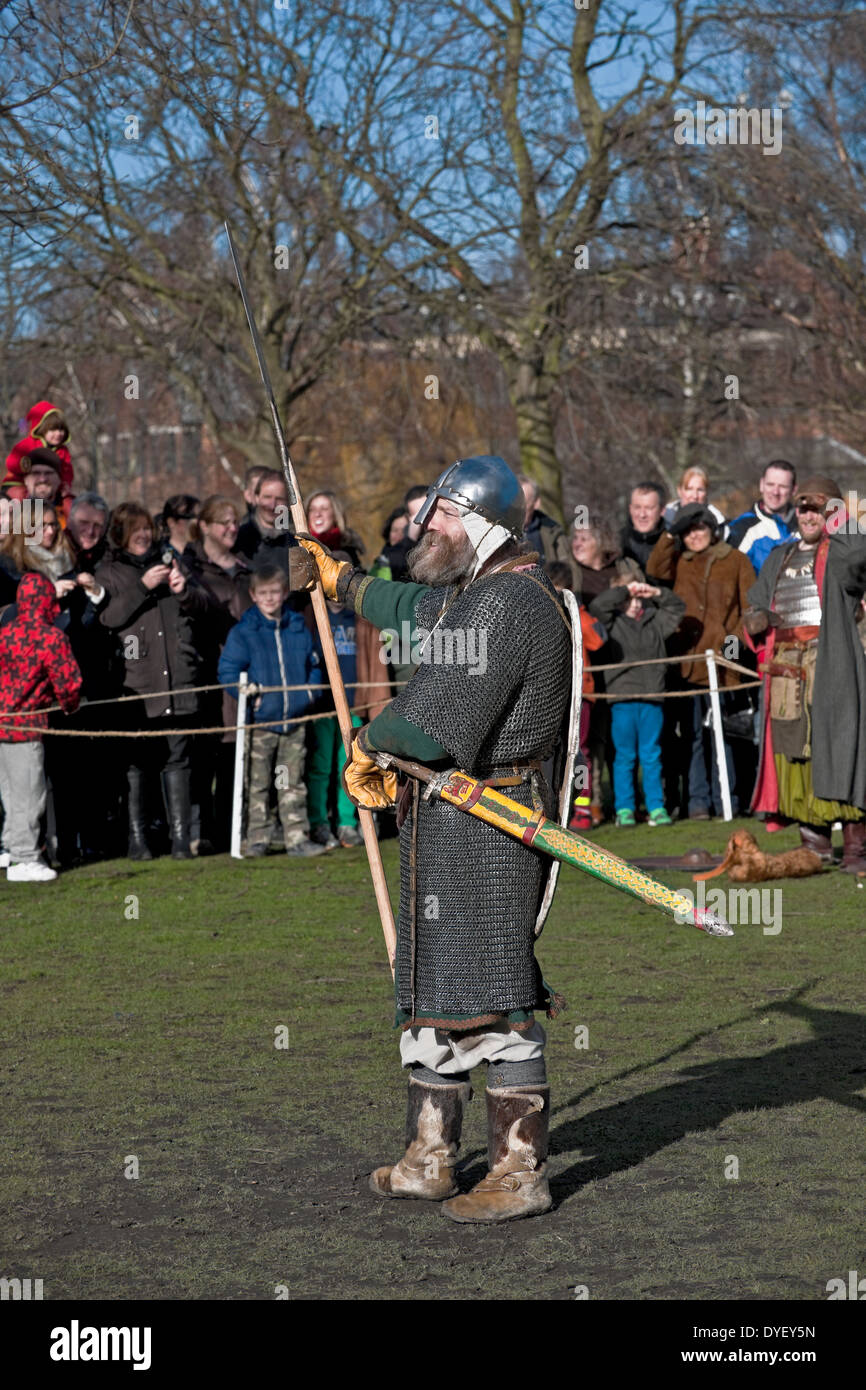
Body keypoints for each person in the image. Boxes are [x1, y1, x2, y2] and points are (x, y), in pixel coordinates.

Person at [299, 454, 572, 1224]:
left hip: (491, 819)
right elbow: (413, 608)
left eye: (445, 515)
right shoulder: (473, 597)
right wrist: (344, 583)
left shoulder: (507, 605)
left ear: (482, 523)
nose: (430, 528)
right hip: (446, 817)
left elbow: (429, 718)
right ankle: (431, 1156)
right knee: (429, 994)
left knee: (497, 995)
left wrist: (366, 743)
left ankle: (520, 1170)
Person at [743, 476, 866, 870]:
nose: (808, 514)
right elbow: (756, 602)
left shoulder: (841, 551)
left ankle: (855, 848)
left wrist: (841, 513)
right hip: (786, 672)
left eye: (818, 507)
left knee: (842, 746)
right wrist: (755, 618)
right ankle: (813, 846)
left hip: (833, 666)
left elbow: (855, 561)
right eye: (803, 507)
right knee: (794, 755)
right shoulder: (779, 556)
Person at [96, 502, 211, 861]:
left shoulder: (171, 561)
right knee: (137, 763)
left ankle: (180, 841)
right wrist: (143, 587)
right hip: (137, 685)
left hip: (176, 682)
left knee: (178, 760)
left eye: (147, 527)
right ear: (120, 534)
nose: (143, 535)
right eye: (135, 529)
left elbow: (204, 607)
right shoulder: (108, 572)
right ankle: (138, 840)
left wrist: (183, 590)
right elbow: (107, 619)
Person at [647, 503, 756, 819]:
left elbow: (749, 609)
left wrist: (730, 647)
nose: (694, 536)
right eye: (688, 531)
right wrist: (669, 531)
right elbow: (655, 568)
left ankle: (729, 800)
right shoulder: (679, 562)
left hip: (724, 666)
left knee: (726, 734)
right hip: (688, 664)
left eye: (699, 529)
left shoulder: (736, 560)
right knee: (693, 736)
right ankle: (698, 802)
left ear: (711, 529)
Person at [218, 562, 327, 858]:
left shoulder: (297, 626)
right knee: (258, 782)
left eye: (275, 592)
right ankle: (257, 838)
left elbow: (314, 665)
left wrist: (308, 693)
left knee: (293, 781)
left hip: (294, 720)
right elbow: (228, 670)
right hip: (261, 722)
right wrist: (249, 694)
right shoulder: (244, 631)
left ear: (283, 593)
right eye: (263, 593)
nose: (269, 599)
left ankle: (297, 837)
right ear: (253, 595)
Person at [183, 496, 254, 852]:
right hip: (206, 671)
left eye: (235, 521)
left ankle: (232, 829)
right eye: (223, 522)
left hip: (243, 673)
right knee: (204, 753)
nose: (231, 528)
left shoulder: (246, 568)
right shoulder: (192, 568)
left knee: (234, 753)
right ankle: (201, 830)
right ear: (206, 526)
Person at [0, 572, 82, 882]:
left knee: (10, 793)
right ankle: (24, 858)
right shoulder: (51, 637)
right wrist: (70, 707)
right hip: (26, 726)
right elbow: (69, 684)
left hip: (1, 725)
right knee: (30, 794)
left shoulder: (4, 633)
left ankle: (10, 846)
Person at [588, 574, 686, 826]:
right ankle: (625, 809)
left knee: (651, 755)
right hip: (621, 699)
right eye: (629, 599)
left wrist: (654, 593)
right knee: (624, 757)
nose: (634, 603)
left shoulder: (656, 621)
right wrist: (624, 589)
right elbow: (598, 606)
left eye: (637, 598)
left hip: (652, 698)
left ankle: (656, 807)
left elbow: (677, 607)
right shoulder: (611, 623)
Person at [546, 561, 606, 832]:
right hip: (550, 692)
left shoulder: (579, 614)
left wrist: (576, 611)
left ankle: (582, 805)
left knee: (579, 750)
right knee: (551, 751)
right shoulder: (540, 614)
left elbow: (597, 641)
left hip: (580, 694)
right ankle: (554, 803)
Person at [728, 460, 798, 574]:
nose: (775, 492)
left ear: (793, 490)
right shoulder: (739, 529)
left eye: (783, 486)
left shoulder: (805, 526)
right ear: (761, 485)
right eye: (770, 484)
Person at [3, 400, 74, 503]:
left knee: (68, 503)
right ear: (42, 429)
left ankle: (65, 519)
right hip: (20, 484)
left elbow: (67, 471)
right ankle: (28, 518)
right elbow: (11, 462)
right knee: (21, 496)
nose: (58, 433)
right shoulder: (28, 444)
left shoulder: (62, 451)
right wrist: (26, 467)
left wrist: (66, 484)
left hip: (49, 488)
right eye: (53, 430)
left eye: (61, 430)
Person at [519, 473, 574, 581]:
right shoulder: (499, 531)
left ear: (536, 503)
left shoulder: (553, 530)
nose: (519, 509)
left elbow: (568, 568)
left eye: (524, 503)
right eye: (515, 502)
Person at [235, 469, 292, 561]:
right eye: (267, 497)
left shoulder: (296, 544)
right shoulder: (237, 540)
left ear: (288, 503)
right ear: (256, 498)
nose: (272, 505)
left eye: (279, 499)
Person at [306, 489, 364, 568]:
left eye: (324, 509)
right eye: (312, 509)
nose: (317, 514)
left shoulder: (346, 552)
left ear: (335, 515)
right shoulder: (296, 546)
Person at [663, 466, 727, 534]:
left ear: (706, 492)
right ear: (679, 491)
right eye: (689, 489)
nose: (695, 496)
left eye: (700, 490)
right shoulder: (665, 516)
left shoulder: (718, 521)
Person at [620, 482, 666, 571]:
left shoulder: (674, 545)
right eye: (637, 507)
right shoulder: (616, 544)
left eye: (649, 508)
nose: (642, 515)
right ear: (630, 509)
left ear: (662, 510)